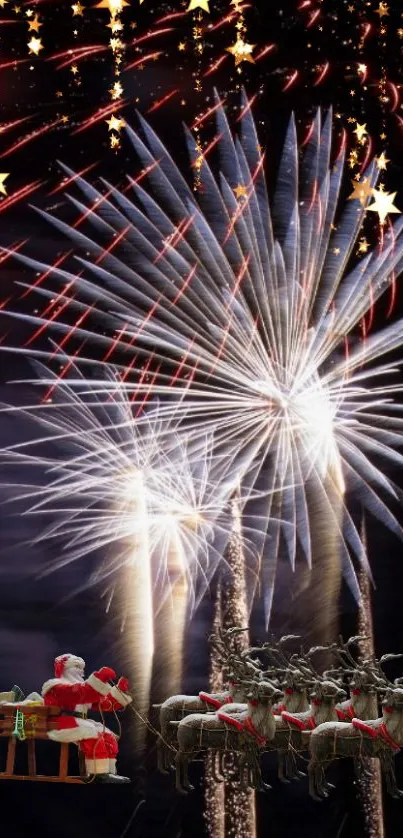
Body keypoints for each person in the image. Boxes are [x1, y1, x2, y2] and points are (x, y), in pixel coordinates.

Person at [41, 653, 132, 783]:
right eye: (76, 666)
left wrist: (120, 691)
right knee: (91, 732)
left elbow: (106, 704)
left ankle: (108, 772)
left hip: (76, 721)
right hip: (59, 722)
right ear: (63, 668)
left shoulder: (82, 688)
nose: (80, 670)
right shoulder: (56, 686)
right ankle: (99, 775)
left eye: (82, 667)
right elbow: (79, 693)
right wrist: (99, 679)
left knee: (106, 734)